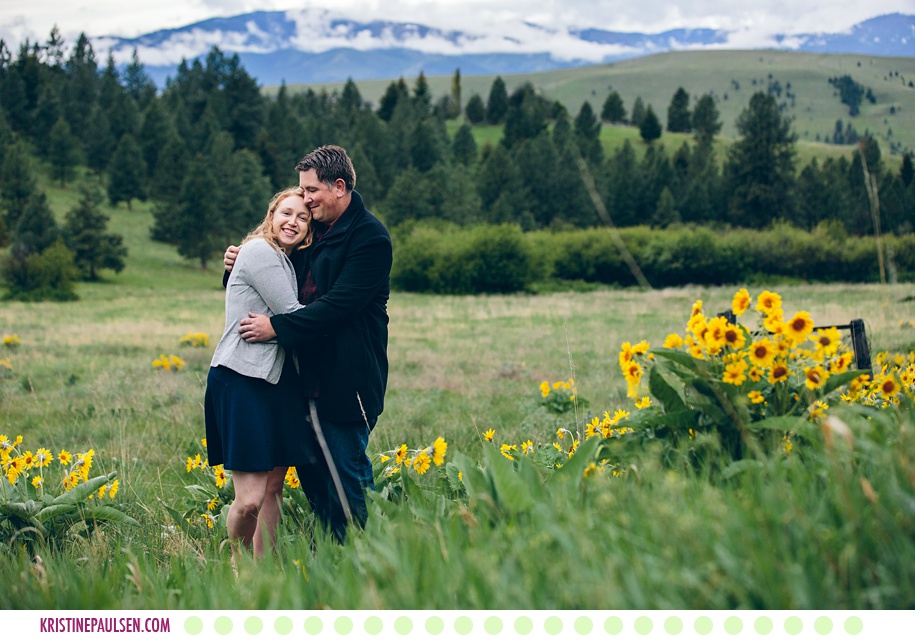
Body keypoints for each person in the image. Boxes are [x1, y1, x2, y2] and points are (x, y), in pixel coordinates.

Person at [225, 145, 392, 542]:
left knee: (345, 475)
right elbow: (270, 282)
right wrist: (239, 263)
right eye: (302, 190)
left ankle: (362, 558)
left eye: (312, 190)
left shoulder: (370, 237)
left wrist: (278, 328)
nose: (306, 199)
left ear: (339, 187)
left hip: (346, 379)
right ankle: (329, 562)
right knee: (316, 480)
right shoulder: (313, 231)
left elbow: (339, 307)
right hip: (302, 380)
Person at [205, 186, 316, 557]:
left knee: (272, 489)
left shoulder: (288, 259)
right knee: (250, 499)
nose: (293, 222)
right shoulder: (259, 252)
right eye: (287, 213)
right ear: (272, 215)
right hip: (242, 379)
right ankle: (235, 565)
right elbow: (293, 313)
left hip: (278, 382)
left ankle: (262, 573)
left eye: (303, 217)